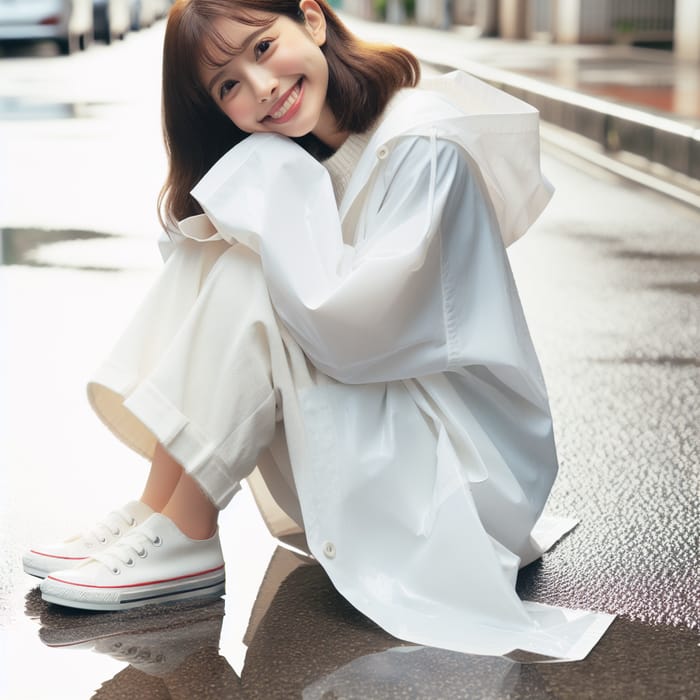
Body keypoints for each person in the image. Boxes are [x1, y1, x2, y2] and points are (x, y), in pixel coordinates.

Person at [23, 0, 613, 660]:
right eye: (228, 87)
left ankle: (186, 531)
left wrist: (263, 190)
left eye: (262, 48)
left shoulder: (424, 144)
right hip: (393, 428)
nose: (261, 87)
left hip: (466, 467)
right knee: (227, 260)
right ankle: (159, 510)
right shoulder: (304, 155)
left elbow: (356, 336)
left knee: (252, 274)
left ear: (311, 20)